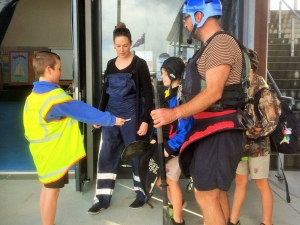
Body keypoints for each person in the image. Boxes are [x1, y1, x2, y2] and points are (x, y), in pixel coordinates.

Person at [151, 1, 252, 224]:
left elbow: (214, 92)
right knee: (214, 194)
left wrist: (173, 114)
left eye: (186, 19)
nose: (185, 25)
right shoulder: (211, 46)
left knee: (207, 195)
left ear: (199, 16)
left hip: (219, 129)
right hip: (210, 130)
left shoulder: (221, 43)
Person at [23, 51, 125, 225]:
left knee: (46, 190)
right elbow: (80, 110)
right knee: (52, 193)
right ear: (48, 69)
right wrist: (112, 119)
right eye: (59, 68)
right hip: (52, 155)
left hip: (41, 153)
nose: (61, 72)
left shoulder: (33, 96)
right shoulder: (54, 99)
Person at [87, 22, 153, 214]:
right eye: (118, 45)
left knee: (135, 156)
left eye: (125, 45)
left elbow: (148, 94)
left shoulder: (139, 64)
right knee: (106, 156)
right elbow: (105, 93)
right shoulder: (110, 64)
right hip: (110, 118)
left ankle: (141, 195)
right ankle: (101, 200)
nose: (122, 49)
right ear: (113, 45)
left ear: (131, 43)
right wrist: (100, 116)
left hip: (133, 117)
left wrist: (145, 120)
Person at [228, 49, 281, 225]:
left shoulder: (263, 92)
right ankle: (233, 220)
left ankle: (267, 222)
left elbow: (271, 123)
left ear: (251, 66)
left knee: (261, 184)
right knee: (240, 182)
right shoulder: (237, 88)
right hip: (240, 147)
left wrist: (248, 132)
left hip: (258, 149)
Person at [151, 57, 194, 225]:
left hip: (177, 147)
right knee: (159, 178)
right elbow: (161, 118)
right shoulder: (167, 92)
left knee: (170, 180)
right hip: (166, 143)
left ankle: (178, 220)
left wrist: (170, 147)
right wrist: (156, 137)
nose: (162, 76)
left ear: (174, 73)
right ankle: (178, 204)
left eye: (164, 73)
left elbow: (185, 127)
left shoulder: (182, 96)